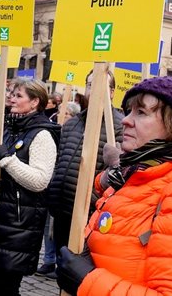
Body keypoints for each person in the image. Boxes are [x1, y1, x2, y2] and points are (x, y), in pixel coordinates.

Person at [56, 77, 172, 295]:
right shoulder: (130, 181)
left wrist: (87, 282)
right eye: (129, 111)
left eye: (141, 112)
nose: (126, 120)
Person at [0, 79, 60, 295]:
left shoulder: (42, 135)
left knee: (6, 289)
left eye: (18, 95)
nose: (11, 98)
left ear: (34, 102)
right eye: (12, 93)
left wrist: (5, 157)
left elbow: (40, 180)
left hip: (19, 225)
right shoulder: (9, 128)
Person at [44, 70, 123, 277]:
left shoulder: (119, 127)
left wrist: (95, 199)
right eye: (89, 83)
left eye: (99, 83)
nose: (93, 88)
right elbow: (60, 161)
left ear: (112, 92)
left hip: (90, 213)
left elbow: (118, 173)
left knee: (83, 275)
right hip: (63, 208)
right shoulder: (72, 124)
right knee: (63, 270)